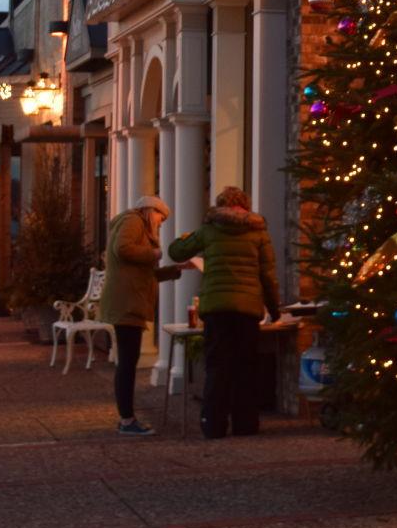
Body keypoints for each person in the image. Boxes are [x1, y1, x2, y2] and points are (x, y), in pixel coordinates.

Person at [169, 187, 281, 440]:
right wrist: (274, 310)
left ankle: (213, 424)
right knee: (245, 367)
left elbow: (176, 251)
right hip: (247, 308)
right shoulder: (259, 232)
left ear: (219, 205)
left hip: (217, 308)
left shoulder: (208, 229)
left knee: (217, 366)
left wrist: (187, 236)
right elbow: (268, 275)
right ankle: (245, 424)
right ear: (245, 205)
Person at [97, 196, 183, 437]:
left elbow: (143, 274)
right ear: (150, 210)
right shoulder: (133, 220)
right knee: (127, 362)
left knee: (127, 361)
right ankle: (126, 419)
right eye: (161, 218)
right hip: (127, 303)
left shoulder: (134, 225)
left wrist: (175, 270)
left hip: (128, 300)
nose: (160, 224)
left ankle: (127, 417)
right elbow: (122, 249)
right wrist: (154, 253)